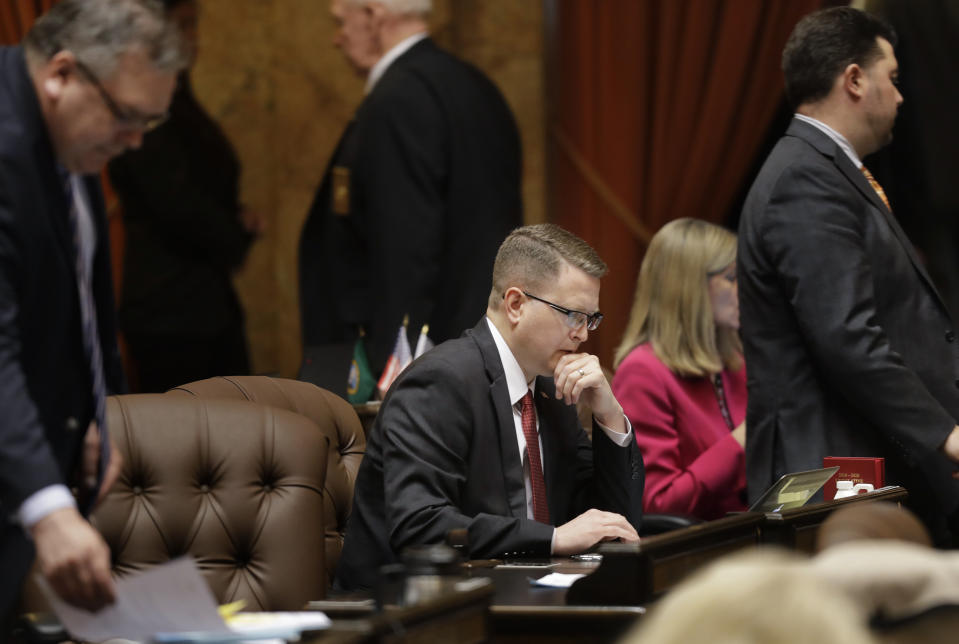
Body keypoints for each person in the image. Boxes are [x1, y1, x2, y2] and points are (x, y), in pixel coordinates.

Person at [738, 6, 959, 546]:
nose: (902, 96)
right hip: (832, 472)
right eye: (894, 78)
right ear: (854, 80)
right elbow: (846, 335)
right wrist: (947, 434)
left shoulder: (826, 170)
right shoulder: (805, 180)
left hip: (858, 464)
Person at [0, 0, 184, 622]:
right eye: (127, 116)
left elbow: (82, 301)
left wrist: (96, 414)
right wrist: (46, 506)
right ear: (61, 74)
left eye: (148, 124)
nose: (134, 142)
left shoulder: (71, 140)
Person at [335, 224, 644, 591]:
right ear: (516, 304)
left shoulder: (549, 392)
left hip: (522, 598)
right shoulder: (439, 382)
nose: (583, 334)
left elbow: (614, 524)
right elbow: (421, 527)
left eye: (590, 318)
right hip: (412, 614)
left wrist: (608, 415)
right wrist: (552, 539)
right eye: (573, 315)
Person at [298, 0, 522, 395]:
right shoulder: (476, 84)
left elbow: (403, 255)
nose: (336, 39)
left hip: (422, 366)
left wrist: (396, 379)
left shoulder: (398, 99)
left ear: (373, 14)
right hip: (483, 348)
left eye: (340, 21)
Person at [109, 0, 261, 393]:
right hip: (170, 310)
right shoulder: (144, 99)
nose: (194, 40)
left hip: (202, 303)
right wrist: (233, 234)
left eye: (196, 26)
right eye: (185, 26)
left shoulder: (180, 96)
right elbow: (174, 201)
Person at [612, 218, 746, 520]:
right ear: (692, 287)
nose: (744, 288)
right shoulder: (643, 373)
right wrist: (741, 442)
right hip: (694, 554)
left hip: (752, 536)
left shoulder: (735, 362)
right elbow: (659, 504)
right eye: (732, 277)